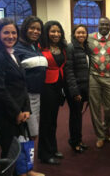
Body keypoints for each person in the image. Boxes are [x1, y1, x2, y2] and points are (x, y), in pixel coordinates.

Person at [0, 18, 31, 161]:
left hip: (19, 109)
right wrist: (16, 112)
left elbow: (22, 84)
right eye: (6, 33)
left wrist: (26, 108)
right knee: (9, 150)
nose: (11, 36)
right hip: (5, 113)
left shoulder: (13, 54)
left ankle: (24, 172)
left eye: (13, 32)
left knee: (20, 145)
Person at [14, 16, 47, 176]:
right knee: (24, 134)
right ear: (25, 28)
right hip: (24, 98)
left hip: (36, 96)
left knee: (31, 134)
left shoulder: (34, 47)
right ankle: (23, 171)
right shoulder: (17, 48)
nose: (35, 31)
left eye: (38, 29)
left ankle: (27, 169)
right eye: (32, 28)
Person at [38, 20, 67, 165]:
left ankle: (53, 148)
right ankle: (44, 154)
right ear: (46, 33)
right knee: (46, 121)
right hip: (46, 86)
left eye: (58, 31)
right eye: (53, 31)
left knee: (53, 121)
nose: (56, 34)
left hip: (58, 86)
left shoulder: (62, 47)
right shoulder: (40, 47)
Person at [88, 17, 110, 148]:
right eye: (102, 24)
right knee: (94, 108)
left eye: (107, 24)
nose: (104, 26)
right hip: (94, 77)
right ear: (98, 25)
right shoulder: (89, 38)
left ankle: (106, 128)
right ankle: (100, 135)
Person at [64, 24, 90, 153]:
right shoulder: (70, 47)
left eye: (83, 33)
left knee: (79, 116)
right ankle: (74, 142)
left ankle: (79, 140)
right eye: (78, 33)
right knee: (75, 117)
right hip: (75, 89)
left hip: (85, 87)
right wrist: (75, 92)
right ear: (74, 34)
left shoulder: (85, 47)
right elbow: (69, 71)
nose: (81, 35)